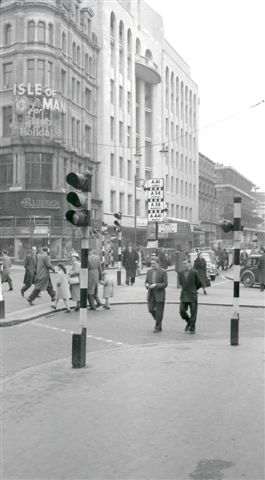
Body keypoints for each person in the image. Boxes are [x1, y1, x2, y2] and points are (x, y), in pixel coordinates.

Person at [178, 259, 202, 334]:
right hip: (184, 295)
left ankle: (192, 328)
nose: (184, 265)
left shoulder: (195, 272)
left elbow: (199, 283)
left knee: (193, 312)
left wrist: (194, 289)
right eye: (183, 264)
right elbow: (181, 283)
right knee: (182, 311)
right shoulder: (180, 273)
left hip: (192, 295)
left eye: (185, 263)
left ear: (189, 264)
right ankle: (188, 321)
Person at [145, 256, 168, 333]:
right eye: (151, 263)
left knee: (159, 312)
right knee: (150, 309)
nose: (152, 265)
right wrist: (147, 285)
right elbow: (146, 281)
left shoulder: (163, 272)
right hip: (151, 294)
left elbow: (165, 284)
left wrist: (156, 285)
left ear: (158, 263)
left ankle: (158, 327)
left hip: (160, 295)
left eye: (154, 263)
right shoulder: (149, 272)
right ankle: (158, 321)